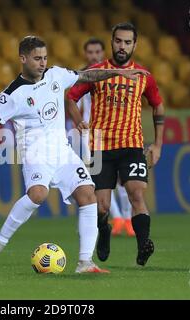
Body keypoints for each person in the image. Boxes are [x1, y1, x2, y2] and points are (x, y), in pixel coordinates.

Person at [0, 36, 148, 273]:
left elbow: (86, 75)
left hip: (63, 151)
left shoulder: (55, 75)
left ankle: (84, 263)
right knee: (38, 194)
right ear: (23, 59)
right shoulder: (12, 94)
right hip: (35, 154)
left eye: (45, 58)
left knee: (87, 194)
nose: (42, 63)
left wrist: (117, 74)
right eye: (37, 58)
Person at [67, 23, 165, 266]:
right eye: (118, 41)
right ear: (112, 42)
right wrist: (79, 121)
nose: (122, 46)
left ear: (135, 45)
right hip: (100, 148)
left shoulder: (144, 76)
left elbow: (158, 105)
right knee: (101, 206)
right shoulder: (96, 72)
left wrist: (158, 144)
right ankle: (105, 231)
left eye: (127, 42)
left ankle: (143, 246)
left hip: (132, 145)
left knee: (136, 193)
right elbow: (70, 97)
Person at [78, 38, 135, 237]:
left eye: (97, 52)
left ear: (103, 53)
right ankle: (118, 218)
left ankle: (127, 219)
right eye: (90, 52)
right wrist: (78, 122)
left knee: (121, 178)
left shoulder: (112, 74)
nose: (93, 55)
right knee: (101, 179)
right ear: (86, 54)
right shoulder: (84, 77)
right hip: (90, 135)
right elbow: (75, 105)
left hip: (114, 132)